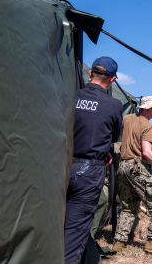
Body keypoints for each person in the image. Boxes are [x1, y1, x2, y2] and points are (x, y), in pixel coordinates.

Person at [64, 56, 123, 263]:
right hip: (89, 171)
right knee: (75, 232)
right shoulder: (114, 105)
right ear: (113, 80)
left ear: (90, 73)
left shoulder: (70, 97)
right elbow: (112, 137)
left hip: (59, 165)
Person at [112, 96, 152, 254]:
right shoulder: (148, 127)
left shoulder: (126, 119)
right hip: (137, 168)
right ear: (145, 108)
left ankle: (119, 242)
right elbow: (147, 153)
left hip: (122, 167)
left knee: (128, 206)